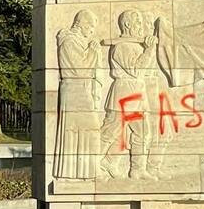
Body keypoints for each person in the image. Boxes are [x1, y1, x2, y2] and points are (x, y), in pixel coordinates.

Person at [99, 10, 158, 180]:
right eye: (137, 23)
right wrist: (149, 50)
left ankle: (136, 169)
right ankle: (93, 163)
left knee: (143, 132)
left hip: (137, 93)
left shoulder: (134, 45)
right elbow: (136, 69)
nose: (140, 27)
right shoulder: (121, 46)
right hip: (123, 93)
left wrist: (148, 49)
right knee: (111, 132)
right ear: (127, 25)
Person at [53, 10, 101, 179]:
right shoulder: (69, 42)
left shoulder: (77, 42)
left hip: (81, 89)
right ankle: (74, 173)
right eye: (91, 27)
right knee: (85, 129)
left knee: (86, 130)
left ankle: (87, 172)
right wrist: (93, 52)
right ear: (82, 24)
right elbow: (80, 69)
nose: (92, 31)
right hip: (75, 90)